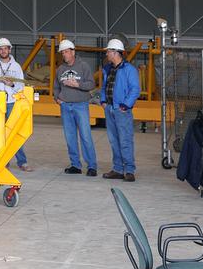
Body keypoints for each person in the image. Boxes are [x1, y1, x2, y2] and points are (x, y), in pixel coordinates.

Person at [0, 37, 31, 171]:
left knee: (13, 132)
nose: (3, 51)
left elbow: (21, 86)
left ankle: (22, 162)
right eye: (1, 49)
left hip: (11, 102)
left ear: (9, 50)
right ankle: (2, 161)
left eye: (6, 48)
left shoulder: (16, 67)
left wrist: (12, 84)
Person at [53, 38, 98, 176]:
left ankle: (92, 166)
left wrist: (77, 85)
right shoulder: (60, 69)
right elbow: (56, 87)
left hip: (81, 105)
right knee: (70, 137)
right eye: (62, 53)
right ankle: (75, 165)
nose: (64, 55)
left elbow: (91, 84)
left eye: (66, 52)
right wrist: (57, 98)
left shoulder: (83, 66)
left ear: (73, 52)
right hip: (65, 106)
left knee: (86, 136)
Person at [101, 38, 140, 182]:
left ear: (115, 52)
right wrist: (103, 101)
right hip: (110, 108)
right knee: (114, 141)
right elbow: (104, 87)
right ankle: (118, 169)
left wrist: (126, 105)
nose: (107, 54)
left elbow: (135, 89)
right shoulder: (108, 68)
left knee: (125, 140)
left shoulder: (129, 70)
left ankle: (129, 170)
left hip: (121, 110)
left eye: (108, 51)